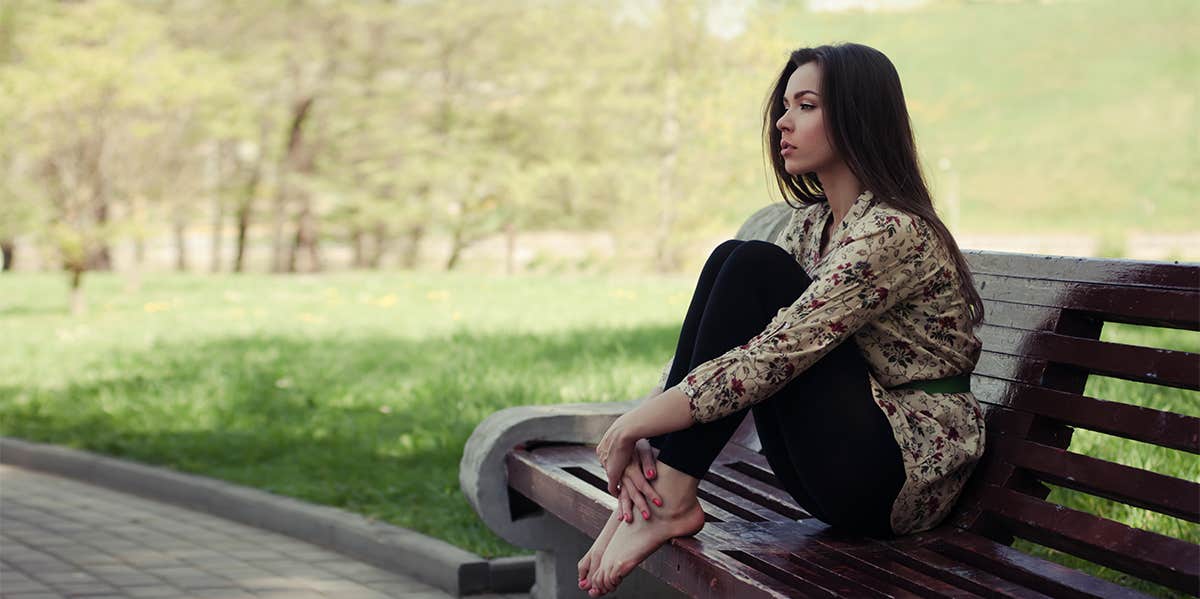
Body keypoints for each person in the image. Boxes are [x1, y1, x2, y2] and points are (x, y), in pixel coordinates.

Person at [576, 42, 989, 597]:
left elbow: (774, 357)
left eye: (806, 106)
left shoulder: (894, 232)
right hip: (832, 467)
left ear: (857, 115)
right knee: (734, 258)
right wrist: (649, 426)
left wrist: (637, 423)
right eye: (785, 106)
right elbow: (745, 347)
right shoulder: (810, 228)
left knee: (752, 266)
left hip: (904, 475)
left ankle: (668, 499)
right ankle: (660, 495)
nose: (782, 122)